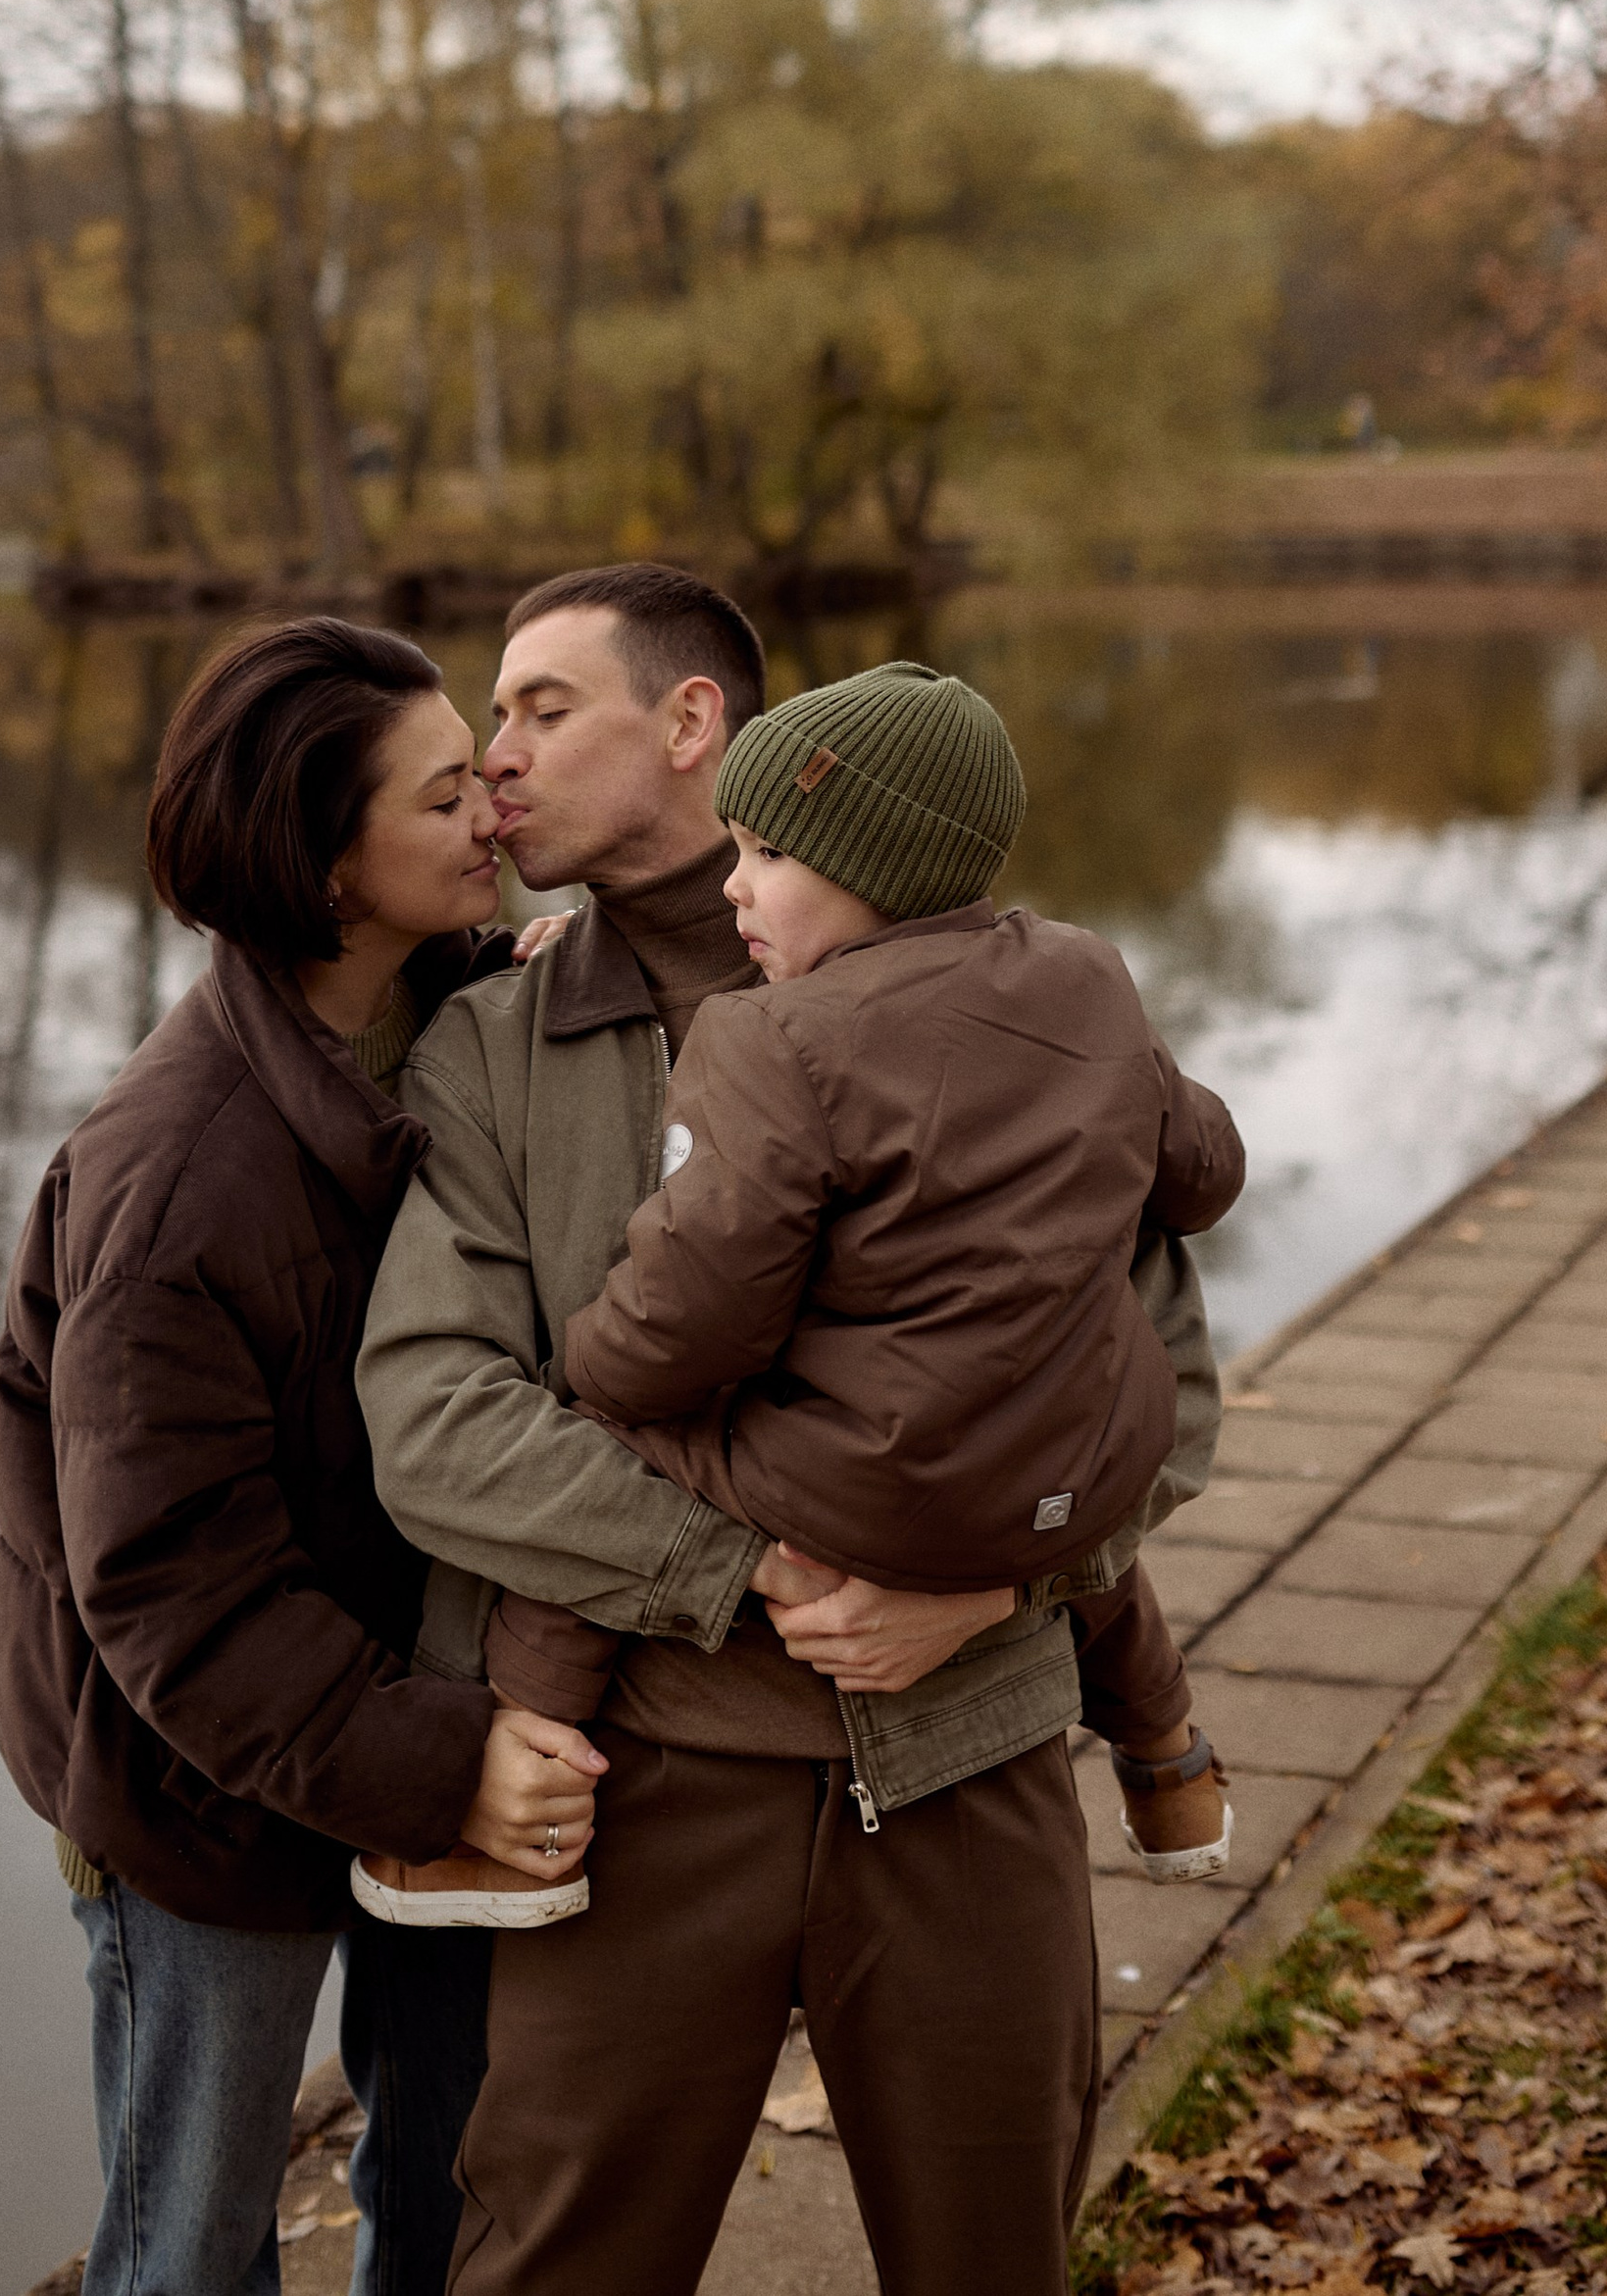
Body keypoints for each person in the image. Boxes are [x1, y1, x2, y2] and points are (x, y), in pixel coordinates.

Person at [353, 567, 1230, 2296]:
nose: (496, 759)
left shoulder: (1014, 1002)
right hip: (646, 1791)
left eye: (542, 709)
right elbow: (435, 1416)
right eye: (488, 719)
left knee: (994, 2255)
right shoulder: (492, 1041)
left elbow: (1163, 1391)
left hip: (971, 1765)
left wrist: (991, 1586)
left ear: (693, 724)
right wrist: (746, 1559)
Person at [0, 618, 603, 2296]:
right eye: (447, 792)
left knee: (449, 2185)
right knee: (191, 2247)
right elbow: (169, 1589)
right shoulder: (178, 1182)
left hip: (416, 1714)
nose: (496, 809)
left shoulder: (453, 1021)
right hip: (200, 1785)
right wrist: (439, 1761)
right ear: (332, 872)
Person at [475, 658, 1241, 1900]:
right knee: (1066, 1377)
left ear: (872, 863)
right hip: (1076, 1474)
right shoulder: (1090, 978)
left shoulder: (772, 1036)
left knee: (616, 1414)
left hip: (874, 1492)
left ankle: (530, 1759)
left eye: (766, 853)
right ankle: (1166, 1753)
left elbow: (697, 1308)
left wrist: (593, 1356)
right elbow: (1203, 1174)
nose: (734, 884)